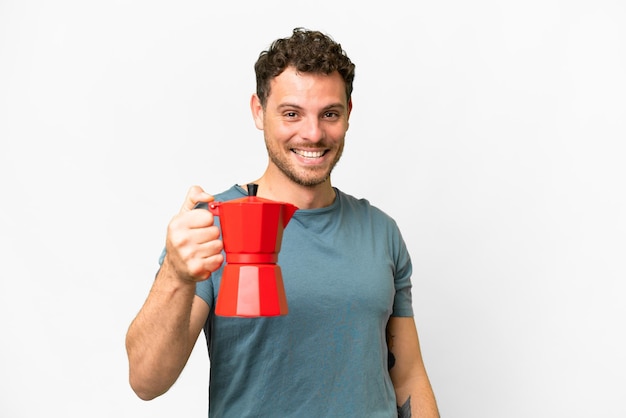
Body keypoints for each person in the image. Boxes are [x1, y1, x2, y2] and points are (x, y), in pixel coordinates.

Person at [125, 27, 440, 418]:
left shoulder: (381, 232)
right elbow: (146, 380)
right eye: (291, 113)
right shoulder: (211, 226)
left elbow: (408, 377)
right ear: (259, 111)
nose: (312, 133)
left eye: (330, 114)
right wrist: (175, 272)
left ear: (348, 114)